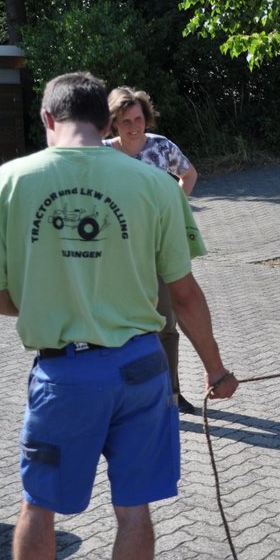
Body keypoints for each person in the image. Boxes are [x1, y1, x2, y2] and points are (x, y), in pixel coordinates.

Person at [0, 71, 239, 560]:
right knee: (132, 507)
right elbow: (185, 294)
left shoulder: (7, 183)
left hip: (62, 376)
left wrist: (51, 304)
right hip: (141, 367)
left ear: (47, 120)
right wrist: (217, 371)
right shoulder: (154, 184)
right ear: (106, 121)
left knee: (37, 505)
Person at [105, 86, 202, 416]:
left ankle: (172, 393)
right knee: (121, 326)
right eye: (125, 121)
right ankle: (127, 395)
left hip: (159, 249)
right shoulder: (102, 153)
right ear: (114, 124)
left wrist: (174, 207)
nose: (134, 127)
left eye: (138, 119)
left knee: (165, 325)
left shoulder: (161, 147)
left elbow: (188, 174)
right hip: (116, 256)